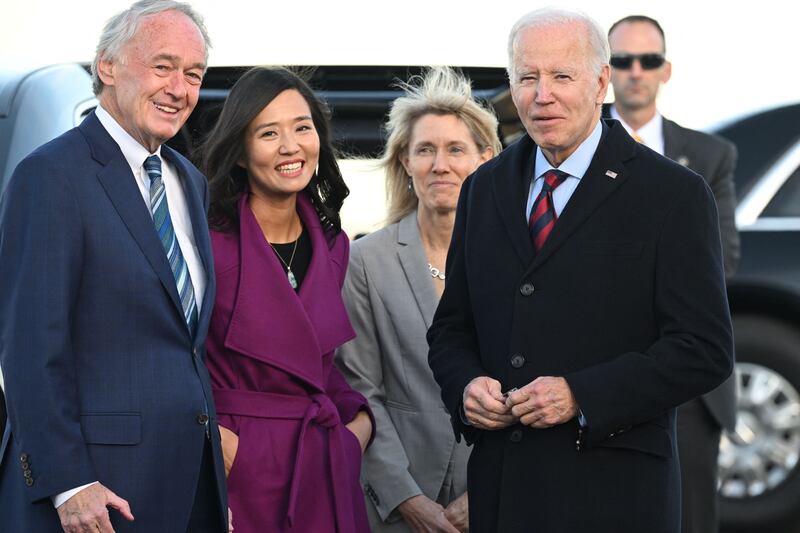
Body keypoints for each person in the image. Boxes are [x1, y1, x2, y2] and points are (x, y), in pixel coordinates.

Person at [426, 7, 734, 533]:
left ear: (600, 82)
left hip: (614, 496)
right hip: (505, 492)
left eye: (561, 76)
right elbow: (453, 328)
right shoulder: (485, 188)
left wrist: (580, 394)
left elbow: (703, 351)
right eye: (528, 78)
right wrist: (466, 386)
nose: (542, 95)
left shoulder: (672, 195)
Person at [0, 1, 228, 532]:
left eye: (194, 75)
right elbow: (31, 347)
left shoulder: (188, 180)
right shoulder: (50, 175)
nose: (180, 89)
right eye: (163, 66)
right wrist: (68, 482)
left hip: (186, 486)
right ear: (107, 66)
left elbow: (183, 342)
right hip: (92, 495)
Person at [199, 66, 374, 533]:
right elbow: (171, 355)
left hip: (320, 463)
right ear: (239, 152)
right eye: (269, 133)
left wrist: (357, 427)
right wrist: (217, 443)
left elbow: (318, 364)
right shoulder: (206, 244)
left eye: (302, 127)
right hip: (239, 469)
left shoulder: (335, 244)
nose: (291, 146)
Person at [336, 66, 501, 532]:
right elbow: (360, 391)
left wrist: (488, 489)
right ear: (405, 161)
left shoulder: (519, 261)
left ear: (485, 159)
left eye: (455, 150)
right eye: (424, 150)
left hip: (499, 498)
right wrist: (405, 497)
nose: (439, 164)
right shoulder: (366, 260)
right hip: (394, 507)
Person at [605, 15, 739, 533]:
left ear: (666, 70)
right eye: (622, 60)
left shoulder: (709, 155)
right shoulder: (561, 149)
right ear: (604, 72)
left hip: (684, 381)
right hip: (584, 367)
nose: (635, 71)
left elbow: (722, 261)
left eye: (648, 60)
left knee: (689, 519)